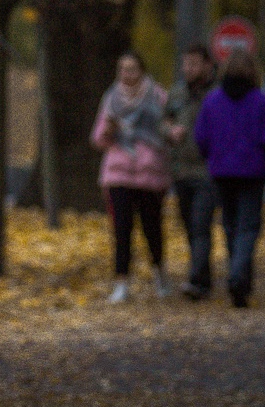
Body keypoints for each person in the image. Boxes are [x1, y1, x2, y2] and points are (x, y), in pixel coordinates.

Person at [193, 49, 265, 308]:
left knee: (231, 225)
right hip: (253, 173)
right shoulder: (262, 102)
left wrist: (212, 158)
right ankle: (238, 277)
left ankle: (240, 279)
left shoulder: (212, 101)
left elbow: (201, 137)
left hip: (222, 172)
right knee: (248, 226)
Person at [91, 51, 172, 303]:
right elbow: (98, 138)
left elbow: (167, 131)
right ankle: (121, 282)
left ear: (142, 70)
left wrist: (171, 133)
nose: (127, 74)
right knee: (121, 230)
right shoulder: (111, 98)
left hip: (150, 172)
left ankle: (159, 273)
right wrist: (110, 129)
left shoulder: (158, 96)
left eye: (132, 69)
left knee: (152, 228)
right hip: (118, 173)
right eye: (122, 69)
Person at [163, 44, 218, 300]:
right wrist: (169, 131)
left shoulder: (218, 92)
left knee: (200, 224)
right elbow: (163, 120)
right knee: (189, 226)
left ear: (208, 65)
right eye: (185, 64)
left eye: (194, 64)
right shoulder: (177, 92)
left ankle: (197, 280)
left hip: (208, 171)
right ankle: (203, 278)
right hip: (181, 170)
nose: (188, 69)